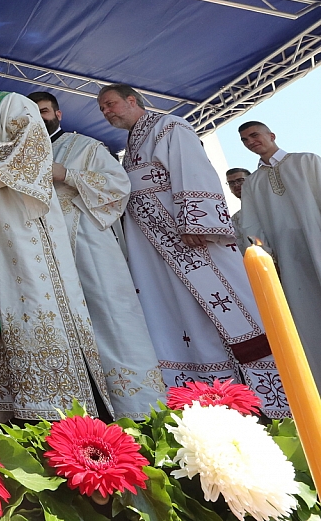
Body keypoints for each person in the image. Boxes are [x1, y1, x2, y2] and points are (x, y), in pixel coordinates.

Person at [0, 57, 109, 421]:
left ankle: (60, 407)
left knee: (32, 297)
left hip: (20, 223)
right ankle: (13, 407)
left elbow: (34, 150)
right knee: (4, 303)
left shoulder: (13, 103)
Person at [97, 85, 288, 417]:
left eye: (110, 104)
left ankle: (270, 398)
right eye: (102, 109)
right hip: (155, 250)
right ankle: (209, 398)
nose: (106, 112)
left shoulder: (170, 126)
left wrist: (197, 221)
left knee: (230, 304)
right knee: (180, 314)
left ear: (132, 100)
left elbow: (193, 169)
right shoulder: (131, 146)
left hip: (189, 237)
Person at [28, 91, 165, 418]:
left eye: (43, 111)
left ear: (58, 115)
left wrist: (68, 175)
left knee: (113, 320)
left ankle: (141, 412)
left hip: (91, 250)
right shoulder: (23, 158)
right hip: (48, 259)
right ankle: (89, 417)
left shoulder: (84, 146)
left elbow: (119, 186)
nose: (38, 119)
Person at [237, 121, 321, 379]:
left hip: (317, 241)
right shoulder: (253, 183)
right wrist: (268, 260)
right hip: (289, 260)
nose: (251, 141)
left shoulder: (306, 161)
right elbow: (251, 226)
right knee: (307, 317)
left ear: (271, 135)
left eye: (254, 135)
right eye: (245, 140)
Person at [225, 168, 252, 254]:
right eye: (231, 183)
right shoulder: (234, 220)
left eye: (240, 180)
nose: (236, 185)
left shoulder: (268, 207)